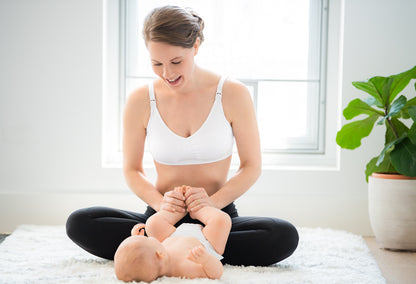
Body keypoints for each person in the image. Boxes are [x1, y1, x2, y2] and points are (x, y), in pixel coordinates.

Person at [66, 5, 299, 266]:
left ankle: (166, 251)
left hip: (217, 219)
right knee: (80, 222)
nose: (167, 73)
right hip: (161, 219)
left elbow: (251, 167)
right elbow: (132, 169)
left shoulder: (234, 93)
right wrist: (162, 206)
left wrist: (210, 204)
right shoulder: (140, 100)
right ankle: (200, 251)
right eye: (156, 63)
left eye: (176, 62)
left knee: (283, 235)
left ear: (196, 46)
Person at [114, 185, 231, 282]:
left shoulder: (158, 252)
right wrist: (206, 260)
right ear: (160, 254)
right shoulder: (185, 268)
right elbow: (217, 273)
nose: (148, 238)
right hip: (204, 241)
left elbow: (144, 248)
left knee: (152, 224)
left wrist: (136, 238)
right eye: (148, 239)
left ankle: (178, 207)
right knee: (221, 220)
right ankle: (198, 208)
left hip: (172, 235)